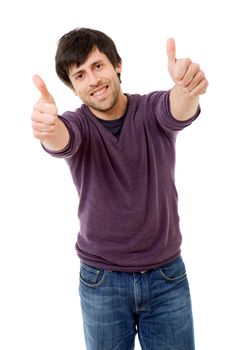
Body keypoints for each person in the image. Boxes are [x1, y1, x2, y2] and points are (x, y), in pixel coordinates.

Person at [31, 27, 208, 350]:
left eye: (98, 66)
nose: (93, 80)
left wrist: (187, 88)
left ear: (117, 65)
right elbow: (60, 138)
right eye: (80, 75)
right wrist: (47, 128)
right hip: (102, 282)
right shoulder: (77, 125)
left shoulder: (151, 110)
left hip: (167, 278)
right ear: (74, 87)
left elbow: (177, 107)